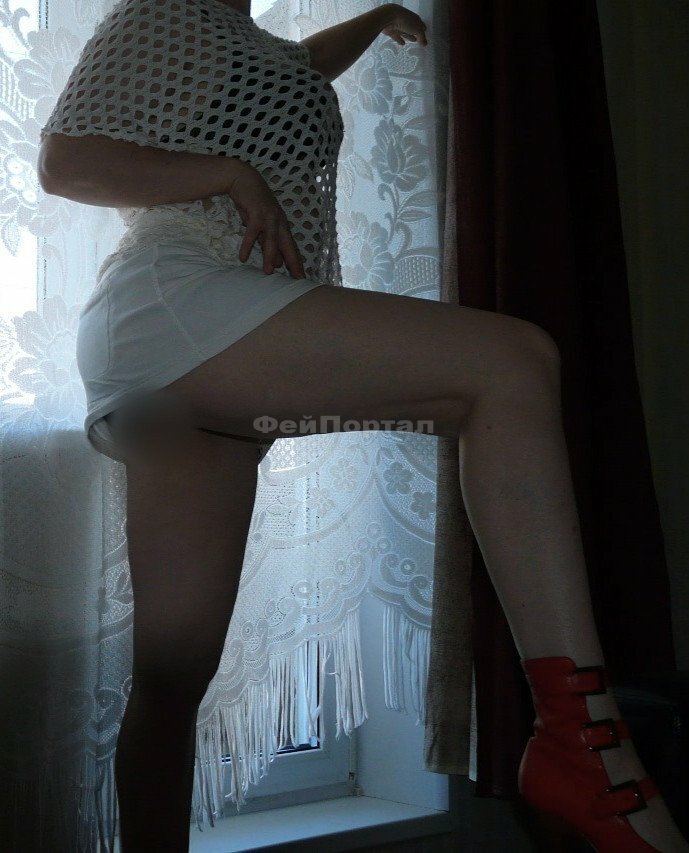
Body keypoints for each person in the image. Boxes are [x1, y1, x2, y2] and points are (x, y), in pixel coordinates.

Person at [37, 1, 689, 851]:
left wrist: (375, 18)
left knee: (172, 672)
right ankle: (581, 736)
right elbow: (67, 162)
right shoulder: (167, 9)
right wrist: (230, 173)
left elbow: (302, 66)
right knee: (511, 363)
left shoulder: (251, 47)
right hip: (180, 298)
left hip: (186, 351)